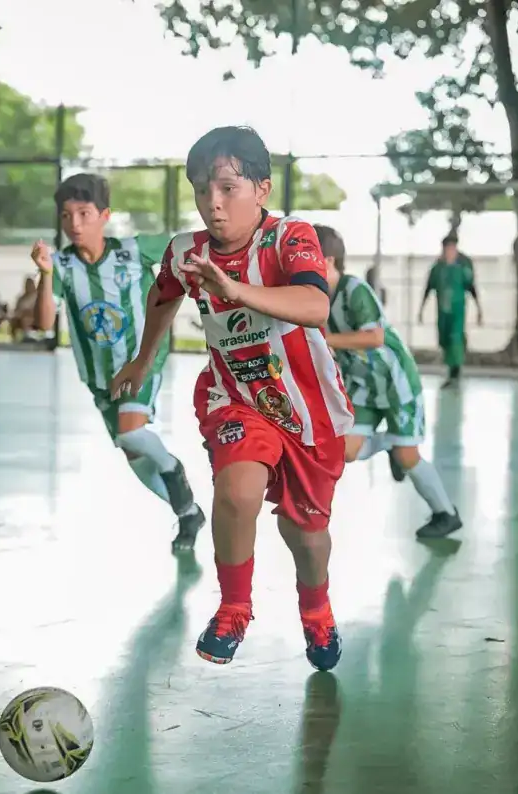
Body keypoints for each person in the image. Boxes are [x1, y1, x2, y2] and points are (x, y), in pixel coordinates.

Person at [112, 127, 354, 671]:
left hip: (308, 408)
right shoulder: (186, 251)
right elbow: (163, 294)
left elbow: (314, 304)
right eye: (202, 189)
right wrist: (143, 359)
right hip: (235, 395)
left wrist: (235, 290)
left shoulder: (290, 236)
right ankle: (234, 607)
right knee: (237, 491)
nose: (213, 203)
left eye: (227, 187)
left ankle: (316, 611)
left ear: (262, 189)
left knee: (306, 533)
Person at [31, 173, 205, 552]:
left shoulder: (134, 250)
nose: (75, 224)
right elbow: (43, 323)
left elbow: (187, 244)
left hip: (141, 360)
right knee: (134, 454)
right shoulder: (60, 265)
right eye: (66, 216)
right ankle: (188, 511)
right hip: (99, 377)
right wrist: (44, 274)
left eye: (84, 213)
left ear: (104, 215)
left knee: (130, 432)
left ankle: (173, 468)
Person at [314, 223, 462, 540]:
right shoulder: (316, 299)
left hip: (395, 383)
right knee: (346, 451)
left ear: (327, 261)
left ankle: (445, 513)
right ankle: (388, 445)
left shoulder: (355, 290)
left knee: (409, 457)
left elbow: (374, 337)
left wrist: (328, 340)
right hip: (363, 386)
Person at [418, 235, 483, 388]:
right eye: (447, 248)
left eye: (452, 248)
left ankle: (454, 373)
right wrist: (421, 309)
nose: (449, 251)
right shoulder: (437, 269)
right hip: (442, 312)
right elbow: (428, 287)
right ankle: (452, 368)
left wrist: (479, 308)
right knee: (444, 339)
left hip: (457, 312)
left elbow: (471, 287)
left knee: (455, 339)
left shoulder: (463, 269)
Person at [10, 276, 38, 341]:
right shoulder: (21, 298)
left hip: (33, 316)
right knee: (14, 320)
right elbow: (17, 309)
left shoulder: (36, 297)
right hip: (20, 316)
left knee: (26, 319)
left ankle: (28, 336)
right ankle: (14, 339)